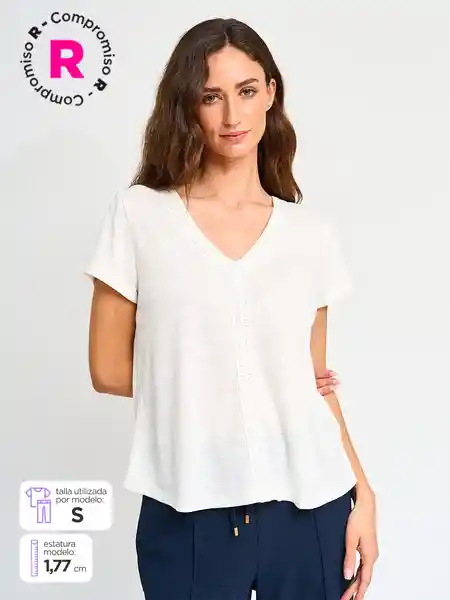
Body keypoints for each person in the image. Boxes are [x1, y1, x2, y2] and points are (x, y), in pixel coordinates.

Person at [84, 17, 379, 600]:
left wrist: (363, 494)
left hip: (312, 505)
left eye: (246, 91)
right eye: (210, 96)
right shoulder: (140, 216)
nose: (231, 116)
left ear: (270, 92)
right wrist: (228, 376)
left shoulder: (309, 232)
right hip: (188, 507)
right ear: (187, 106)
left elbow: (313, 383)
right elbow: (108, 370)